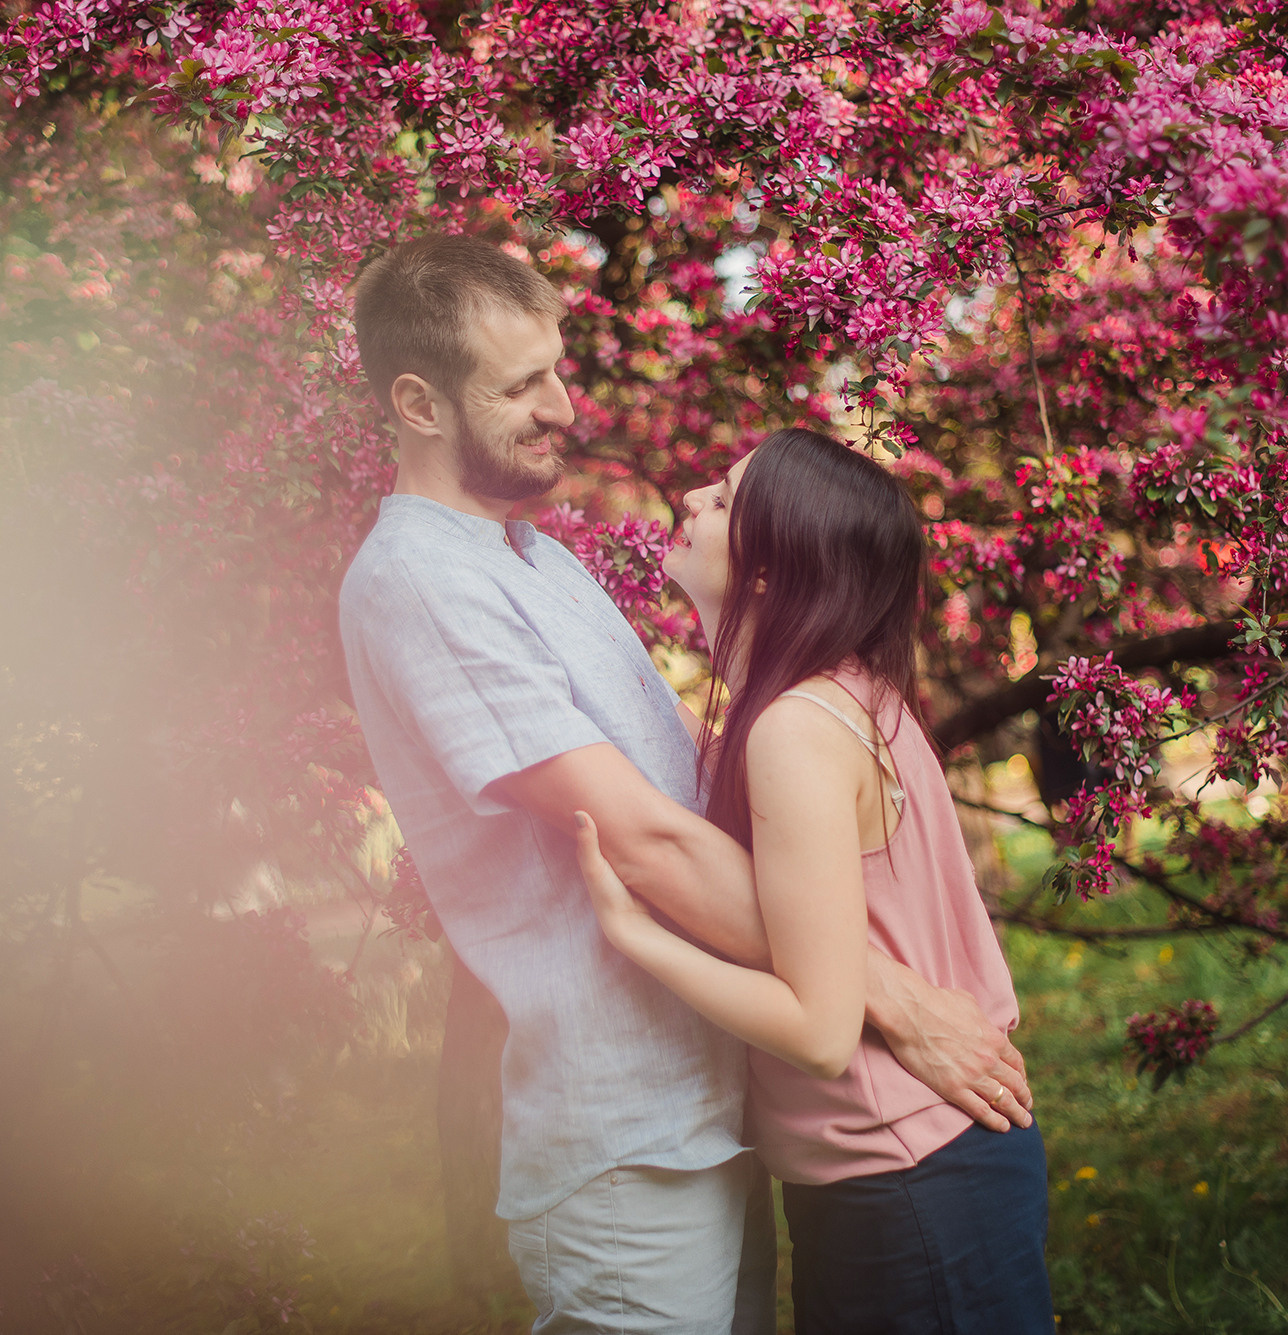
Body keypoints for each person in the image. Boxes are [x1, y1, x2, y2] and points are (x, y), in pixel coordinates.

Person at [337, 234, 1034, 1334]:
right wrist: (892, 999)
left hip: (715, 1109)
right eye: (521, 385)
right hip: (625, 1138)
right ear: (420, 405)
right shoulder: (420, 582)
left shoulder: (537, 560)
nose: (562, 406)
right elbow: (643, 842)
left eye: (557, 368)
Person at [575, 428, 1055, 1333]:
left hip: (909, 1179)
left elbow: (821, 1031)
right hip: (930, 1161)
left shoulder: (794, 728)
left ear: (768, 570)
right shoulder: (845, 693)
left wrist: (639, 935)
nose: (690, 500)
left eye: (724, 499)